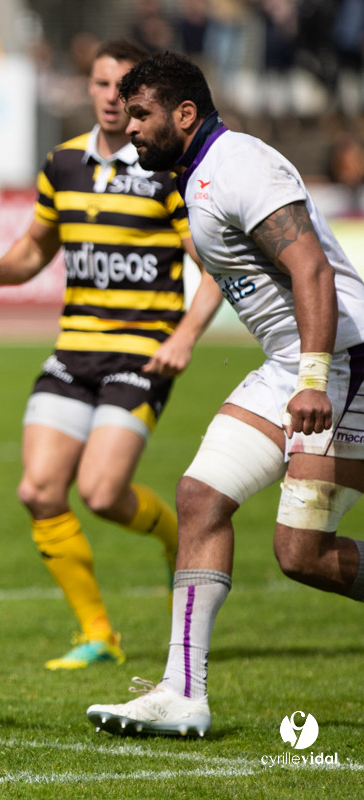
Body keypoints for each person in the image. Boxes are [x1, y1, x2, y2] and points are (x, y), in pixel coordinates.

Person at [86, 51, 364, 738]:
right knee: (199, 497)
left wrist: (312, 377)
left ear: (185, 114)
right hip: (289, 363)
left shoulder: (240, 164)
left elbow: (314, 274)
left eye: (144, 115)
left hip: (340, 362)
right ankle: (183, 690)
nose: (131, 128)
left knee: (300, 554)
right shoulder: (196, 176)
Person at [0, 39, 224, 671]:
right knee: (38, 489)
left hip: (142, 356)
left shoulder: (165, 169)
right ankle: (98, 633)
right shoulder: (63, 164)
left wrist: (185, 334)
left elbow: (214, 266)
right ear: (89, 88)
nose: (113, 98)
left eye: (125, 90)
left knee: (103, 494)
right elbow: (35, 249)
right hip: (73, 354)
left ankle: (174, 543)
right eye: (103, 85)